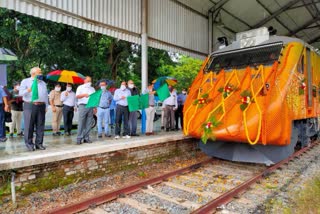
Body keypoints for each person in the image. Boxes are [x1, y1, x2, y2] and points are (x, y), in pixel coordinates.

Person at [19, 67, 48, 151]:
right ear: (33, 73)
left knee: (40, 125)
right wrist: (28, 90)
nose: (41, 74)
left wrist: (46, 106)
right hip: (30, 105)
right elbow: (21, 93)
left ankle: (39, 143)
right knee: (29, 125)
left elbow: (45, 95)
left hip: (41, 105)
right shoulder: (25, 81)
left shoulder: (43, 83)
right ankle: (29, 144)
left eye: (41, 72)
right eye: (39, 72)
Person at [76, 76, 95, 145]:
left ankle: (86, 138)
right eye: (88, 81)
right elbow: (77, 96)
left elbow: (94, 98)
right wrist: (84, 95)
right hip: (83, 105)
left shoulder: (92, 89)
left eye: (90, 81)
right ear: (84, 81)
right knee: (81, 122)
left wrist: (94, 107)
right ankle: (79, 138)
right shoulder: (80, 87)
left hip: (90, 106)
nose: (89, 83)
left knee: (89, 123)